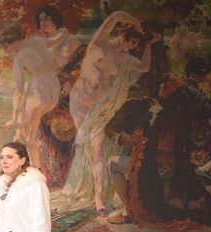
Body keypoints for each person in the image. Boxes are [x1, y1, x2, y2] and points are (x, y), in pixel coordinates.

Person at [65, 11, 161, 215]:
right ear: (124, 32)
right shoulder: (98, 44)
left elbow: (144, 66)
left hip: (101, 108)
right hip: (81, 103)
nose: (133, 46)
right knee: (87, 148)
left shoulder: (124, 58)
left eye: (136, 44)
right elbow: (114, 16)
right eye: (132, 40)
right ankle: (90, 190)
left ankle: (99, 197)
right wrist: (136, 23)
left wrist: (149, 44)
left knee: (97, 149)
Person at [0, 23, 61, 170]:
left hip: (38, 94)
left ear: (14, 41)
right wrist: (64, 31)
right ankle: (13, 161)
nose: (6, 51)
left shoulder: (19, 59)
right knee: (23, 130)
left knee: (29, 136)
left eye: (6, 47)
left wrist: (13, 117)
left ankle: (36, 170)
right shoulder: (38, 40)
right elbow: (56, 40)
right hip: (54, 92)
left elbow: (19, 91)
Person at [33, 6, 84, 187]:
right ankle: (51, 180)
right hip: (47, 97)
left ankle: (67, 179)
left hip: (67, 96)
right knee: (45, 139)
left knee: (66, 137)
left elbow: (83, 65)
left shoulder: (71, 41)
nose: (43, 23)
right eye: (40, 20)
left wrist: (71, 81)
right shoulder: (40, 44)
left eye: (46, 19)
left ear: (55, 20)